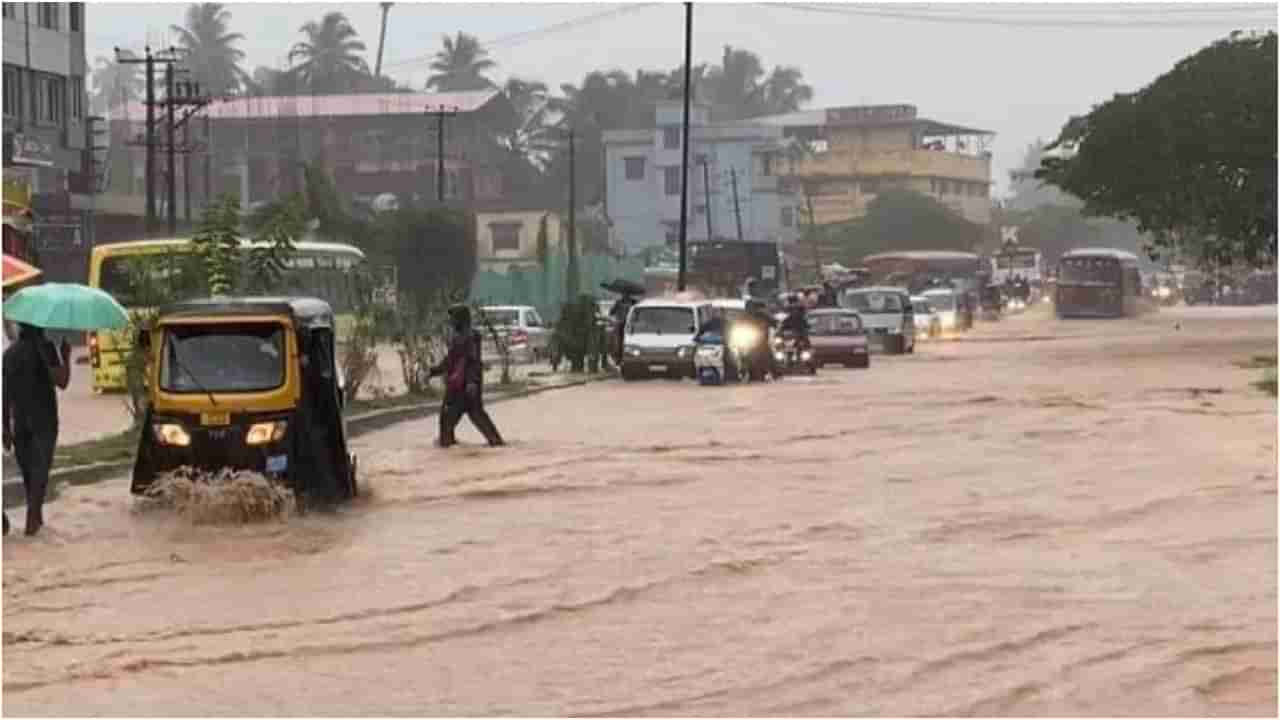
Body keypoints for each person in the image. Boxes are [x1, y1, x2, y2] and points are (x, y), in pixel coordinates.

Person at [3, 323, 71, 536]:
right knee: (39, 477)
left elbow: (4, 394)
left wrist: (5, 427)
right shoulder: (46, 348)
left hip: (20, 424)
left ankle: (36, 523)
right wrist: (65, 356)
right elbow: (62, 381)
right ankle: (32, 527)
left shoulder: (9, 354)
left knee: (30, 478)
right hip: (44, 423)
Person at [428, 305, 505, 448]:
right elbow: (450, 361)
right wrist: (434, 371)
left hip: (463, 388)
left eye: (453, 318)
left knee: (449, 420)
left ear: (461, 320)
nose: (451, 322)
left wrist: (471, 382)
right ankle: (495, 444)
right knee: (474, 418)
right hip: (464, 387)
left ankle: (447, 446)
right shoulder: (460, 337)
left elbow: (472, 361)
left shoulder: (470, 337)